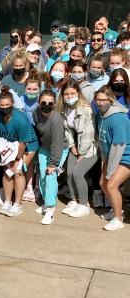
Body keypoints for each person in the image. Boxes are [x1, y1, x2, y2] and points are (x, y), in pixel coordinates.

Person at [0, 88, 38, 217]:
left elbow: (23, 143)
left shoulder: (20, 119)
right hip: (8, 145)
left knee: (18, 171)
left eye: (7, 105)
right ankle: (7, 201)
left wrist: (17, 160)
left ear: (13, 105)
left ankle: (18, 204)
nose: (4, 108)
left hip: (26, 145)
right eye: (2, 106)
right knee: (7, 172)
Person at [57, 80, 97, 218]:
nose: (69, 96)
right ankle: (74, 200)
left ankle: (84, 204)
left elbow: (88, 133)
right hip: (75, 146)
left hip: (90, 148)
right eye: (66, 94)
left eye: (72, 93)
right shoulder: (64, 109)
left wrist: (81, 153)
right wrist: (72, 146)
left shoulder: (85, 109)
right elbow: (67, 130)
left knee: (78, 173)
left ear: (78, 93)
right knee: (68, 173)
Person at [95, 86, 130, 231]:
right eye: (98, 99)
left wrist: (110, 169)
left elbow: (119, 146)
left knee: (111, 185)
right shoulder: (101, 115)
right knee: (103, 183)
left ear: (111, 100)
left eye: (104, 100)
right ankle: (117, 209)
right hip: (110, 155)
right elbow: (103, 142)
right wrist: (105, 161)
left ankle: (118, 219)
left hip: (126, 156)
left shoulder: (118, 118)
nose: (101, 103)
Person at [32, 90, 69, 225]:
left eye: (50, 103)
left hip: (59, 149)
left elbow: (57, 143)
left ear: (54, 105)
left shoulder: (56, 120)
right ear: (39, 102)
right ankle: (46, 201)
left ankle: (50, 208)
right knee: (42, 175)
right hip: (44, 148)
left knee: (50, 175)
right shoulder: (35, 113)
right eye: (43, 102)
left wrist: (53, 164)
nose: (46, 105)